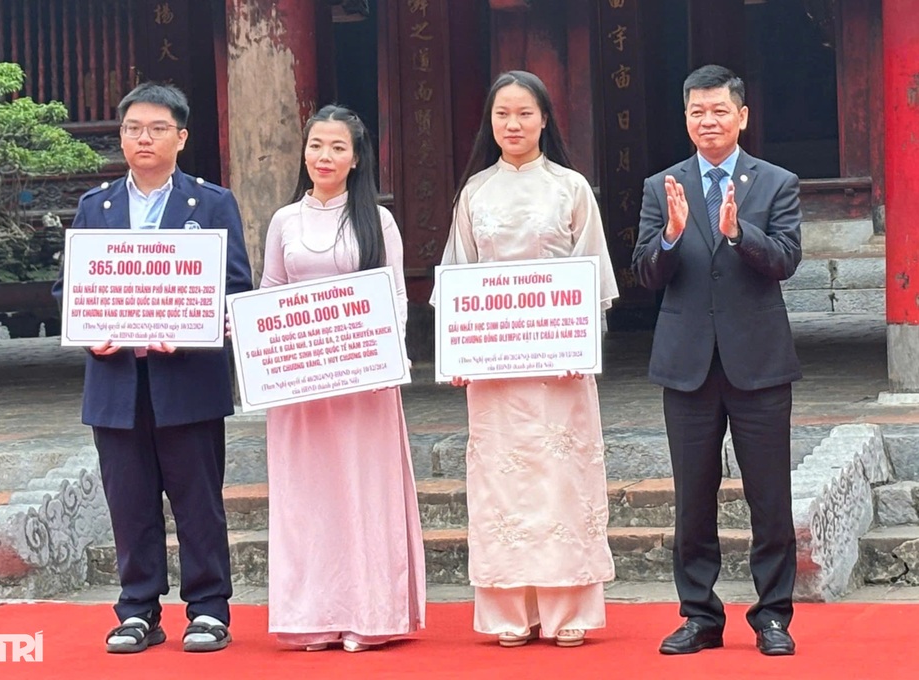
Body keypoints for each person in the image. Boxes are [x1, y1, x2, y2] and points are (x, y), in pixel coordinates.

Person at [53, 82, 252, 653]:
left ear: (181, 138)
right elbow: (71, 291)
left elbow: (234, 286)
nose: (144, 138)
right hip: (116, 382)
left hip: (187, 379)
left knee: (198, 501)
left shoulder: (212, 203)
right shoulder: (97, 207)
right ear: (121, 136)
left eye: (157, 128)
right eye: (133, 128)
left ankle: (209, 609)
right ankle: (138, 609)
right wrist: (92, 335)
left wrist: (190, 330)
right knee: (130, 501)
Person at [436, 70, 619, 648]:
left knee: (562, 482)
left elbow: (593, 278)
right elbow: (458, 277)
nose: (512, 125)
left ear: (545, 118)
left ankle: (568, 612)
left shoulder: (571, 188)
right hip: (494, 372)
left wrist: (581, 345)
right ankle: (509, 612)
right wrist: (456, 352)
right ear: (489, 124)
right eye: (501, 115)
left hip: (558, 370)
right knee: (501, 486)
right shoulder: (475, 193)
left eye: (523, 113)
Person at [631, 64, 801, 657]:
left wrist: (738, 233)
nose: (708, 120)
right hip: (687, 367)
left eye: (719, 111)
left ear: (742, 116)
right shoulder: (662, 187)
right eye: (697, 111)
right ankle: (699, 616)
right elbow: (645, 274)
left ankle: (773, 616)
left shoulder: (775, 183)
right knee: (693, 498)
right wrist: (673, 235)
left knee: (770, 498)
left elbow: (785, 260)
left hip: (759, 363)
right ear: (685, 118)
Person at [260, 105, 426, 653]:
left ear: (356, 159)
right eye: (315, 146)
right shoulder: (284, 221)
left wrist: (385, 359)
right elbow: (268, 294)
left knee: (362, 496)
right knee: (308, 501)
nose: (323, 157)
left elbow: (396, 296)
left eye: (336, 148)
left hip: (362, 386)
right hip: (302, 392)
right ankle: (313, 614)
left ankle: (370, 613)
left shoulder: (377, 221)